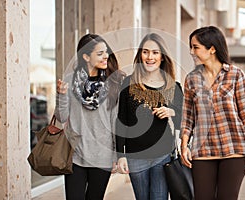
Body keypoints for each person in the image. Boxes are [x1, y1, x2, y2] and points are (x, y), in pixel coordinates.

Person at [180, 26, 245, 200]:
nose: (192, 51)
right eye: (191, 47)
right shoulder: (191, 79)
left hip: (234, 150)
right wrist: (184, 146)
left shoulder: (236, 75)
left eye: (196, 47)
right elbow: (188, 116)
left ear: (212, 49)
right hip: (202, 151)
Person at [54, 33, 125, 200]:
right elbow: (62, 117)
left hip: (102, 156)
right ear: (86, 56)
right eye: (99, 53)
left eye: (105, 52)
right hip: (75, 154)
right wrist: (61, 95)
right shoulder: (70, 81)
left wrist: (117, 155)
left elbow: (116, 122)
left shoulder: (113, 83)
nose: (106, 56)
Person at [116, 33, 183, 200]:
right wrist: (120, 155)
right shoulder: (129, 83)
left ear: (162, 57)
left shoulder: (173, 86)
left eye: (155, 52)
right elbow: (121, 120)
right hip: (135, 156)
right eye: (145, 52)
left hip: (163, 154)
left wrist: (171, 112)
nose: (150, 57)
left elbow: (185, 119)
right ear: (140, 55)